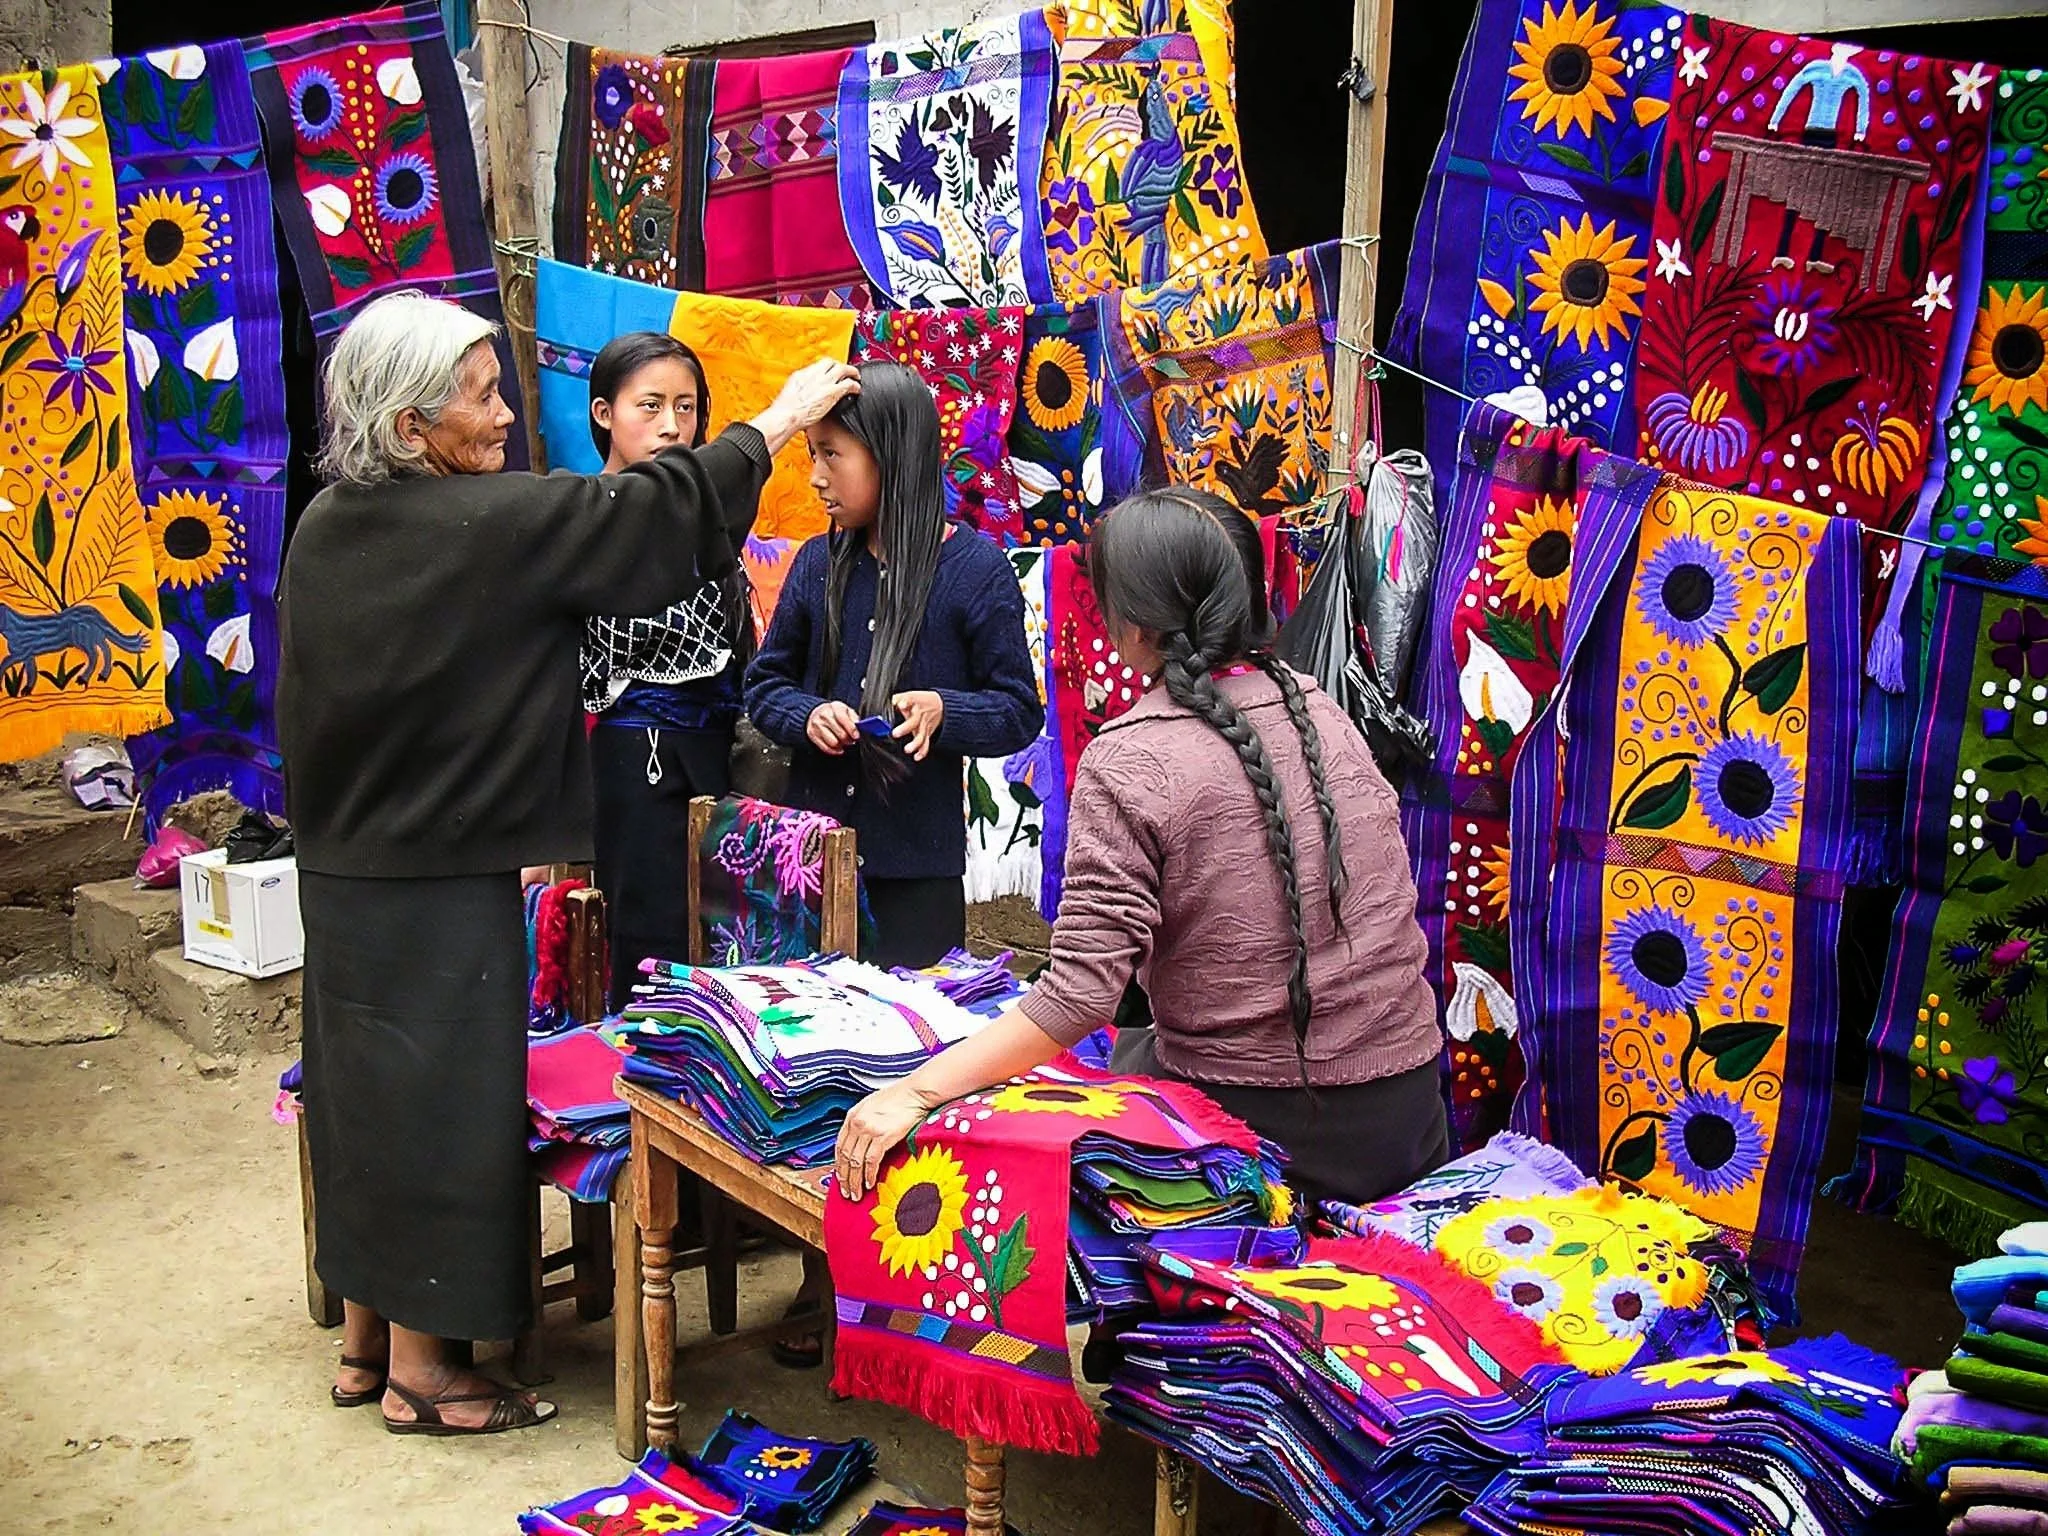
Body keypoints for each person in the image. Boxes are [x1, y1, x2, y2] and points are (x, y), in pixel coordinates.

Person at [279, 290, 857, 1435]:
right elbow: (637, 521)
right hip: (433, 879)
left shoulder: (331, 524)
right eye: (481, 396)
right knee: (440, 1105)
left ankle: (362, 1340)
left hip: (347, 867)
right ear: (409, 429)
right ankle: (423, 1377)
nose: (503, 417)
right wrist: (775, 423)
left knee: (361, 1093)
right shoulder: (472, 522)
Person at [833, 489, 1448, 1210]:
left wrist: (911, 1092)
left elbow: (1078, 999)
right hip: (1410, 1113)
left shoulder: (1132, 756)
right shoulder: (1318, 708)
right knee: (1133, 1048)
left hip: (1264, 1141)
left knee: (1015, 1128)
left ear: (1128, 624)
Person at [744, 361, 1043, 969]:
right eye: (812, 454)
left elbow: (1017, 711)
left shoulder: (975, 573)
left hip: (917, 873)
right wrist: (808, 715)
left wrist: (943, 711)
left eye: (832, 455)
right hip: (810, 861)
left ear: (892, 455)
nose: (816, 478)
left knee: (916, 1044)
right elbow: (764, 685)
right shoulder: (815, 564)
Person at [583, 332, 754, 1006]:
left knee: (725, 944)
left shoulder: (704, 517)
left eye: (686, 407)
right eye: (649, 406)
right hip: (639, 763)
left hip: (720, 762)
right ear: (604, 414)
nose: (671, 426)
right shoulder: (589, 516)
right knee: (652, 946)